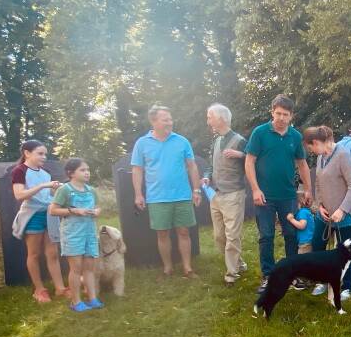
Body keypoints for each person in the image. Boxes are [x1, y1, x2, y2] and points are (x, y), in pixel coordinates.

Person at [245, 94, 312, 292]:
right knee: (266, 236)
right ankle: (268, 275)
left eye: (285, 114)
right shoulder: (260, 133)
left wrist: (308, 189)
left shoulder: (295, 136)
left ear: (291, 116)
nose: (281, 118)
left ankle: (292, 274)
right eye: (278, 113)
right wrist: (255, 189)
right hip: (264, 196)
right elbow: (249, 161)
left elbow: (302, 164)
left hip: (288, 195)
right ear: (272, 112)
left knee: (291, 234)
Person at [131, 105, 202, 278]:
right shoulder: (142, 143)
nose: (170, 122)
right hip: (157, 197)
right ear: (153, 121)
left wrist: (196, 190)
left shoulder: (181, 141)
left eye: (170, 119)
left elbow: (192, 166)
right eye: (165, 120)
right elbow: (137, 169)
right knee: (162, 234)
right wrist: (138, 194)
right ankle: (167, 268)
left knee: (184, 231)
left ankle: (187, 268)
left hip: (182, 195)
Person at [302, 126, 351, 300]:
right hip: (325, 213)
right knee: (317, 246)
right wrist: (320, 205)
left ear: (316, 142)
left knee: (346, 250)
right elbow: (318, 184)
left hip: (346, 213)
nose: (311, 152)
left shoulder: (343, 155)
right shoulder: (321, 157)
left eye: (311, 148)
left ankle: (347, 286)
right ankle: (322, 280)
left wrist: (342, 210)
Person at [11, 140, 67, 302]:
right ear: (27, 153)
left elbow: (47, 196)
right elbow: (19, 195)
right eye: (40, 153)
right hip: (32, 215)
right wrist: (43, 185)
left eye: (45, 154)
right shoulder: (19, 171)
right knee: (34, 254)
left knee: (52, 253)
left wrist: (55, 189)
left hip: (49, 214)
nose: (44, 157)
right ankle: (39, 290)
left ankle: (60, 288)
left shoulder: (45, 172)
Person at [202, 103, 248, 286]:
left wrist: (240, 155)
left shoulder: (240, 141)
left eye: (210, 117)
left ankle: (231, 274)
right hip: (215, 195)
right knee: (219, 236)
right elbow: (210, 165)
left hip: (233, 194)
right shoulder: (215, 140)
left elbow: (254, 161)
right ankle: (239, 263)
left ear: (221, 119)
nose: (208, 121)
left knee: (232, 236)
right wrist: (207, 176)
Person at [49, 159, 103, 311]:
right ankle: (76, 301)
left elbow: (98, 207)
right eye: (82, 170)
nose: (87, 173)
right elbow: (53, 210)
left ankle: (92, 299)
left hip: (90, 233)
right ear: (71, 173)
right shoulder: (65, 190)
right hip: (72, 234)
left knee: (89, 268)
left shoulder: (91, 190)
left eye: (88, 170)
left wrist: (97, 212)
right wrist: (74, 210)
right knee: (76, 268)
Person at [286, 189, 315, 255]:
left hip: (305, 244)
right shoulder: (306, 211)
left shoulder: (303, 212)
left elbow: (302, 226)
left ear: (299, 203)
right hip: (307, 242)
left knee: (302, 259)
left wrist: (291, 219)